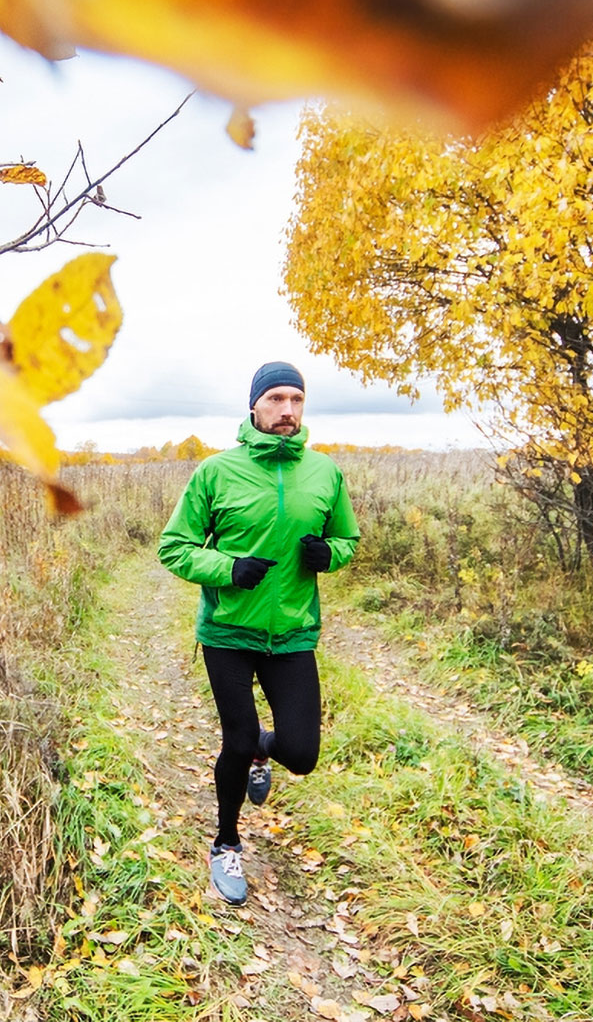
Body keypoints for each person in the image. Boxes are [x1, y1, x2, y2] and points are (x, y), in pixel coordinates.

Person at [156, 361, 360, 906]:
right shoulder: (215, 472)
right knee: (237, 736)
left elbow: (347, 539)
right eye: (275, 399)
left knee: (302, 752)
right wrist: (228, 569)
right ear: (254, 407)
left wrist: (330, 554)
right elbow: (173, 546)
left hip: (292, 633)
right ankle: (225, 842)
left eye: (296, 399)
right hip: (228, 630)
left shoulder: (325, 474)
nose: (287, 410)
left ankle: (262, 755)